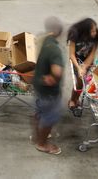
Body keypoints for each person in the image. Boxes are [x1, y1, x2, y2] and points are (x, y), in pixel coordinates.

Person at [32, 18, 64, 155]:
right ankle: (42, 143)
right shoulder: (54, 50)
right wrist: (53, 78)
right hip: (49, 92)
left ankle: (36, 137)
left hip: (38, 86)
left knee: (40, 113)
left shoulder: (42, 40)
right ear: (57, 31)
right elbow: (57, 71)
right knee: (49, 117)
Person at [66, 18, 98, 109]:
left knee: (84, 81)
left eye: (95, 31)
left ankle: (76, 99)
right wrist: (79, 67)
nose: (94, 33)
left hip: (88, 61)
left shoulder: (95, 36)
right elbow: (71, 55)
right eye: (92, 31)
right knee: (80, 82)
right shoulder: (75, 35)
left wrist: (84, 66)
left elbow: (92, 54)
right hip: (76, 60)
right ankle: (73, 99)